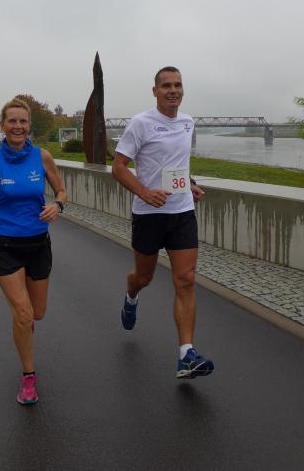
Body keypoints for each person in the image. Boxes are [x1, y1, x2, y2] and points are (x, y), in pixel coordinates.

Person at [0, 97, 67, 405]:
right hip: (3, 243)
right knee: (23, 313)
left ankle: (23, 321)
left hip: (38, 243)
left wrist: (57, 206)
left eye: (23, 121)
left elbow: (61, 190)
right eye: (12, 121)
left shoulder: (42, 156)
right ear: (3, 125)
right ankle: (28, 376)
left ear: (29, 125)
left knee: (37, 313)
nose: (17, 126)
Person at [111, 66, 213, 379]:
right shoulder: (141, 123)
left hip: (182, 212)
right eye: (166, 85)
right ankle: (131, 295)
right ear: (155, 91)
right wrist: (145, 192)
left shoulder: (187, 122)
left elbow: (177, 164)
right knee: (144, 277)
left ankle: (186, 355)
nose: (173, 90)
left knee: (186, 279)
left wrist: (189, 184)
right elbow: (118, 167)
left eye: (178, 85)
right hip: (149, 214)